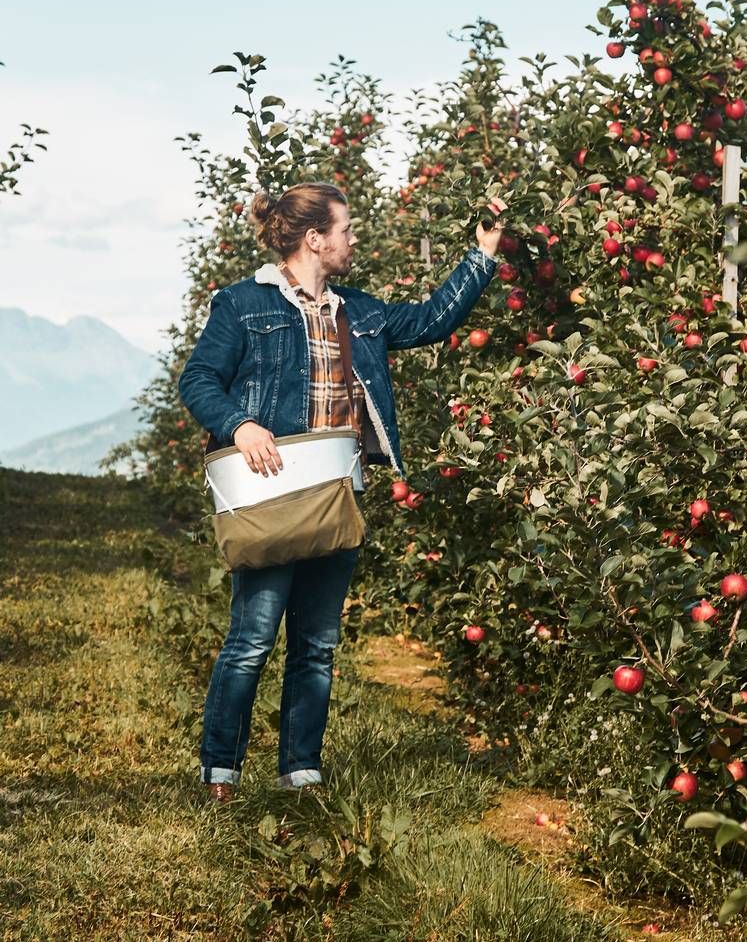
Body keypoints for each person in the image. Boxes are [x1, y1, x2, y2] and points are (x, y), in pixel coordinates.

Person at [177, 180, 506, 803]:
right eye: (346, 231)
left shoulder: (358, 311)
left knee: (318, 644)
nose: (353, 240)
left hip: (336, 495)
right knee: (252, 637)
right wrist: (240, 424)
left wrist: (483, 253)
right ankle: (220, 770)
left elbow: (433, 320)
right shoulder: (244, 304)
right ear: (314, 239)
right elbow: (198, 380)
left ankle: (301, 770)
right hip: (273, 495)